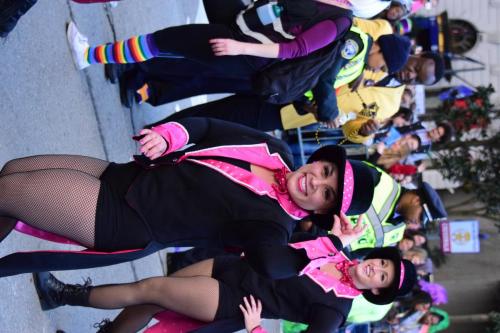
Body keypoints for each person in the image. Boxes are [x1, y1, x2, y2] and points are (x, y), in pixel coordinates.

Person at [0, 117, 377, 277]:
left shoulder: (274, 226)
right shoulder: (274, 147)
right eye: (326, 171)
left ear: (324, 208)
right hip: (124, 175)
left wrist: (330, 245)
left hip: (126, 219)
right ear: (320, 161)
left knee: (8, 191)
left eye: (326, 193)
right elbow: (210, 127)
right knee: (12, 172)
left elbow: (271, 264)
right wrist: (170, 136)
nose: (316, 182)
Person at [33, 223, 417, 333]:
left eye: (382, 276)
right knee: (152, 298)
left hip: (235, 302)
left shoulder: (336, 311)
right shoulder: (336, 251)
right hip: (233, 268)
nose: (376, 269)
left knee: (150, 289)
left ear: (378, 290)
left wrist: (254, 329)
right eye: (383, 263)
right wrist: (333, 238)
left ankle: (63, 294)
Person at [336, 52, 446, 144]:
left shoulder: (391, 106)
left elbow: (348, 130)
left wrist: (362, 132)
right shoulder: (383, 43)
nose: (411, 76)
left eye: (418, 80)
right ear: (419, 54)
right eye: (417, 68)